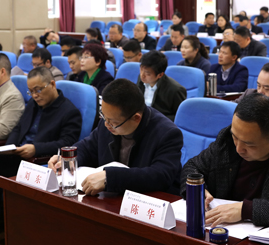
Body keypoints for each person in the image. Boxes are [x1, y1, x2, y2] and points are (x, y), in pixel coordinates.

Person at [181, 93, 269, 229]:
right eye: (235, 137)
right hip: (221, 232)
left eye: (249, 144)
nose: (239, 149)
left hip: (266, 241)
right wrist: (197, 190)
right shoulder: (227, 140)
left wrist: (245, 210)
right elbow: (192, 167)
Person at [0, 66, 82, 245]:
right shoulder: (32, 104)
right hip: (16, 155)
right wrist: (9, 147)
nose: (35, 95)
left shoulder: (69, 112)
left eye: (38, 90)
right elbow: (18, 128)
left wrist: (36, 149)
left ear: (52, 84)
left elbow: (66, 143)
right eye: (31, 91)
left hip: (37, 162)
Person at [47, 79, 184, 196]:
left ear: (136, 118)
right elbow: (88, 147)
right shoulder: (108, 122)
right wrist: (68, 158)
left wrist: (110, 177)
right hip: (113, 198)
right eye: (103, 116)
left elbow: (160, 175)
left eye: (113, 122)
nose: (106, 124)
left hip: (150, 201)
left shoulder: (167, 133)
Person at [137, 51, 187, 121]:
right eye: (141, 70)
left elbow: (180, 116)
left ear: (160, 75)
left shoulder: (175, 90)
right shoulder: (142, 79)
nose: (142, 75)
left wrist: (156, 119)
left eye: (148, 74)